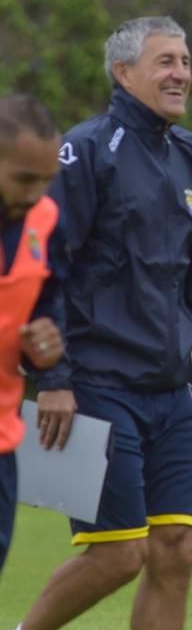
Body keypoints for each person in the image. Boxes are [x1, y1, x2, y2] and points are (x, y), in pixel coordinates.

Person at [0, 17, 192, 630]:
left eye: (186, 59)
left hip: (173, 389)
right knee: (119, 555)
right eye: (164, 61)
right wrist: (51, 376)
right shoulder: (85, 152)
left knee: (176, 547)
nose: (181, 72)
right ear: (124, 73)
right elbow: (45, 269)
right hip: (94, 383)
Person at [0, 94, 67, 579]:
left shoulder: (43, 218)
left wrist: (47, 347)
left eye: (47, 180)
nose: (36, 193)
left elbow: (48, 302)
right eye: (24, 179)